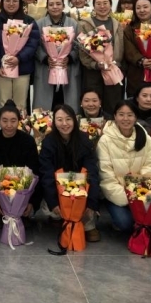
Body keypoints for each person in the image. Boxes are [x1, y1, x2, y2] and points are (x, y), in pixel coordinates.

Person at [96, 100, 151, 233]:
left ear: (136, 117)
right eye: (121, 114)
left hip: (141, 193)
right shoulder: (105, 141)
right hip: (116, 193)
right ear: (115, 116)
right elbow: (106, 176)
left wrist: (137, 194)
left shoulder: (145, 138)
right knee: (125, 223)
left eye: (130, 115)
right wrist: (128, 198)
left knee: (150, 228)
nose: (125, 119)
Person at [39, 104, 101, 242]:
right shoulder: (48, 142)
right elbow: (46, 174)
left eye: (68, 119)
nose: (64, 124)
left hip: (81, 190)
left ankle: (87, 223)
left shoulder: (84, 140)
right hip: (58, 188)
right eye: (59, 119)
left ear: (74, 120)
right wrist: (54, 202)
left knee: (87, 213)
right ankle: (58, 217)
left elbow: (92, 171)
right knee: (51, 207)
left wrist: (91, 203)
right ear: (54, 121)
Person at [0, 100, 41, 229]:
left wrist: (31, 202)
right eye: (5, 121)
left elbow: (35, 172)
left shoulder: (28, 141)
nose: (9, 125)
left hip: (23, 196)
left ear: (19, 121)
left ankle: (22, 212)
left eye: (13, 121)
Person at [0, 0, 40, 112]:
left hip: (23, 68)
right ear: (2, 2)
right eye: (7, 0)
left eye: (15, 1)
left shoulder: (29, 21)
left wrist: (19, 58)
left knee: (21, 105)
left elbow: (33, 44)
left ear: (20, 2)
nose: (11, 4)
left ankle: (21, 124)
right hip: (1, 70)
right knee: (3, 103)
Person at [77, 0, 125, 113]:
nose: (102, 6)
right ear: (93, 6)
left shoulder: (117, 24)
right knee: (92, 105)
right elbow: (82, 50)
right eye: (98, 3)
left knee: (113, 105)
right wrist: (95, 64)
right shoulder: (84, 24)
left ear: (110, 5)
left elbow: (121, 47)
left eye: (105, 3)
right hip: (92, 72)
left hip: (113, 70)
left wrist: (114, 63)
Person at [34, 0, 81, 111]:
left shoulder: (73, 24)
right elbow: (35, 46)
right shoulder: (39, 24)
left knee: (67, 105)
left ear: (63, 6)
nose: (55, 7)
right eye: (51, 4)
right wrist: (45, 58)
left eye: (58, 4)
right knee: (46, 108)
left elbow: (79, 46)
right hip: (46, 69)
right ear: (47, 7)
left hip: (68, 69)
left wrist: (70, 57)